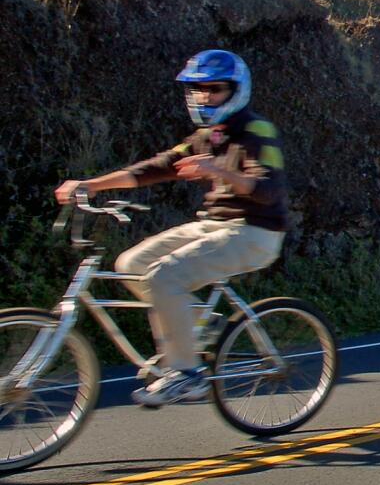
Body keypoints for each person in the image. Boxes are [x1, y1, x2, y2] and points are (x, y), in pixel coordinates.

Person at [53, 50, 289, 406]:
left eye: (214, 89)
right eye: (197, 90)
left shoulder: (258, 130)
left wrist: (219, 171)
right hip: (214, 226)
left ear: (235, 91)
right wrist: (92, 184)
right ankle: (200, 323)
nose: (204, 97)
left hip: (256, 232)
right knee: (131, 265)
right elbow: (157, 167)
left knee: (164, 276)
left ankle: (188, 374)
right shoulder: (207, 135)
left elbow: (269, 190)